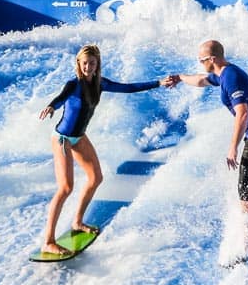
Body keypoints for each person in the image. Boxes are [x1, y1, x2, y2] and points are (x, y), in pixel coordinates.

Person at [37, 43, 162, 258]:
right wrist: (51, 106)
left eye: (91, 63)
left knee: (96, 178)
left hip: (79, 137)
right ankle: (48, 241)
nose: (87, 66)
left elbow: (128, 88)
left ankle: (77, 222)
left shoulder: (100, 84)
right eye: (84, 63)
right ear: (79, 64)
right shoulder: (73, 84)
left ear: (97, 65)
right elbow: (60, 98)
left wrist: (159, 82)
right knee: (66, 188)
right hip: (63, 139)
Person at [162, 40, 248, 257]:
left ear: (213, 59)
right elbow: (201, 80)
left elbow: (242, 113)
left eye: (202, 60)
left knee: (246, 194)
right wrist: (180, 78)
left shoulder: (231, 77)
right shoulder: (224, 73)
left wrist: (232, 147)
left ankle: (246, 249)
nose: (200, 63)